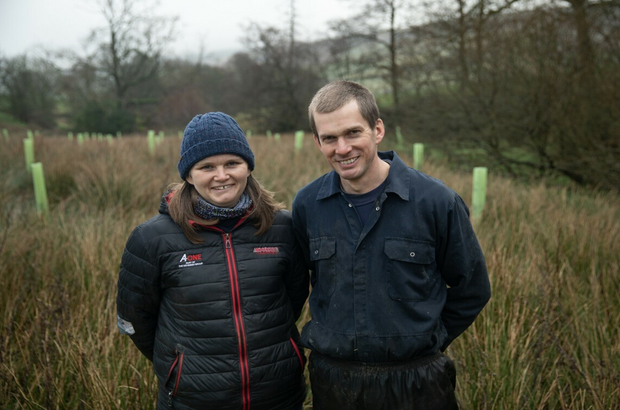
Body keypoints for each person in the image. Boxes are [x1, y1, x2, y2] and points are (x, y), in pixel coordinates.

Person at [292, 80, 491, 410]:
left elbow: (472, 288)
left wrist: (429, 339)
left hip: (418, 383)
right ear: (317, 141)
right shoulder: (307, 205)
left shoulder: (436, 202)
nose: (342, 149)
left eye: (353, 133)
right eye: (329, 138)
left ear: (377, 130)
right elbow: (294, 289)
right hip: (334, 384)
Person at [117, 112, 309, 410]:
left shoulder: (282, 228)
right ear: (189, 175)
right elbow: (137, 319)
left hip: (278, 393)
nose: (222, 176)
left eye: (232, 163)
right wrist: (181, 367)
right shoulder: (151, 238)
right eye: (207, 166)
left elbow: (294, 298)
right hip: (194, 399)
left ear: (248, 167)